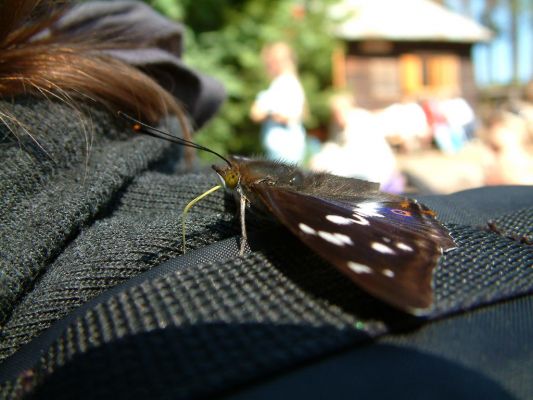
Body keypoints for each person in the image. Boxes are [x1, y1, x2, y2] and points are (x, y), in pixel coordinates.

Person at [0, 2, 531, 399]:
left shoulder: (256, 186)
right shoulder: (249, 176)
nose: (220, 176)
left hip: (341, 214)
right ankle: (398, 215)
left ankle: (400, 227)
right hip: (324, 192)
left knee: (292, 212)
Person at [250, 42, 306, 163]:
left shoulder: (286, 83)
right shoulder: (281, 83)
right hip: (281, 149)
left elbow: (286, 116)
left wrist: (268, 113)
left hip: (285, 149)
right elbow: (255, 113)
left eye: (271, 61)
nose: (269, 65)